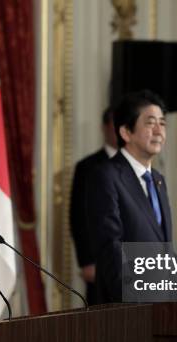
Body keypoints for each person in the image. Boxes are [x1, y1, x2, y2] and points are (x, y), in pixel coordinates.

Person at [87, 90, 173, 303]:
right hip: (126, 310)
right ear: (126, 132)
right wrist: (132, 301)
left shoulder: (158, 180)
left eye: (162, 123)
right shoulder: (106, 176)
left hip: (161, 305)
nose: (158, 130)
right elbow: (110, 247)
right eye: (150, 123)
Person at [69, 107, 117, 305]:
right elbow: (78, 217)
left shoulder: (137, 165)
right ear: (105, 128)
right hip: (100, 263)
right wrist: (87, 261)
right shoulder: (88, 167)